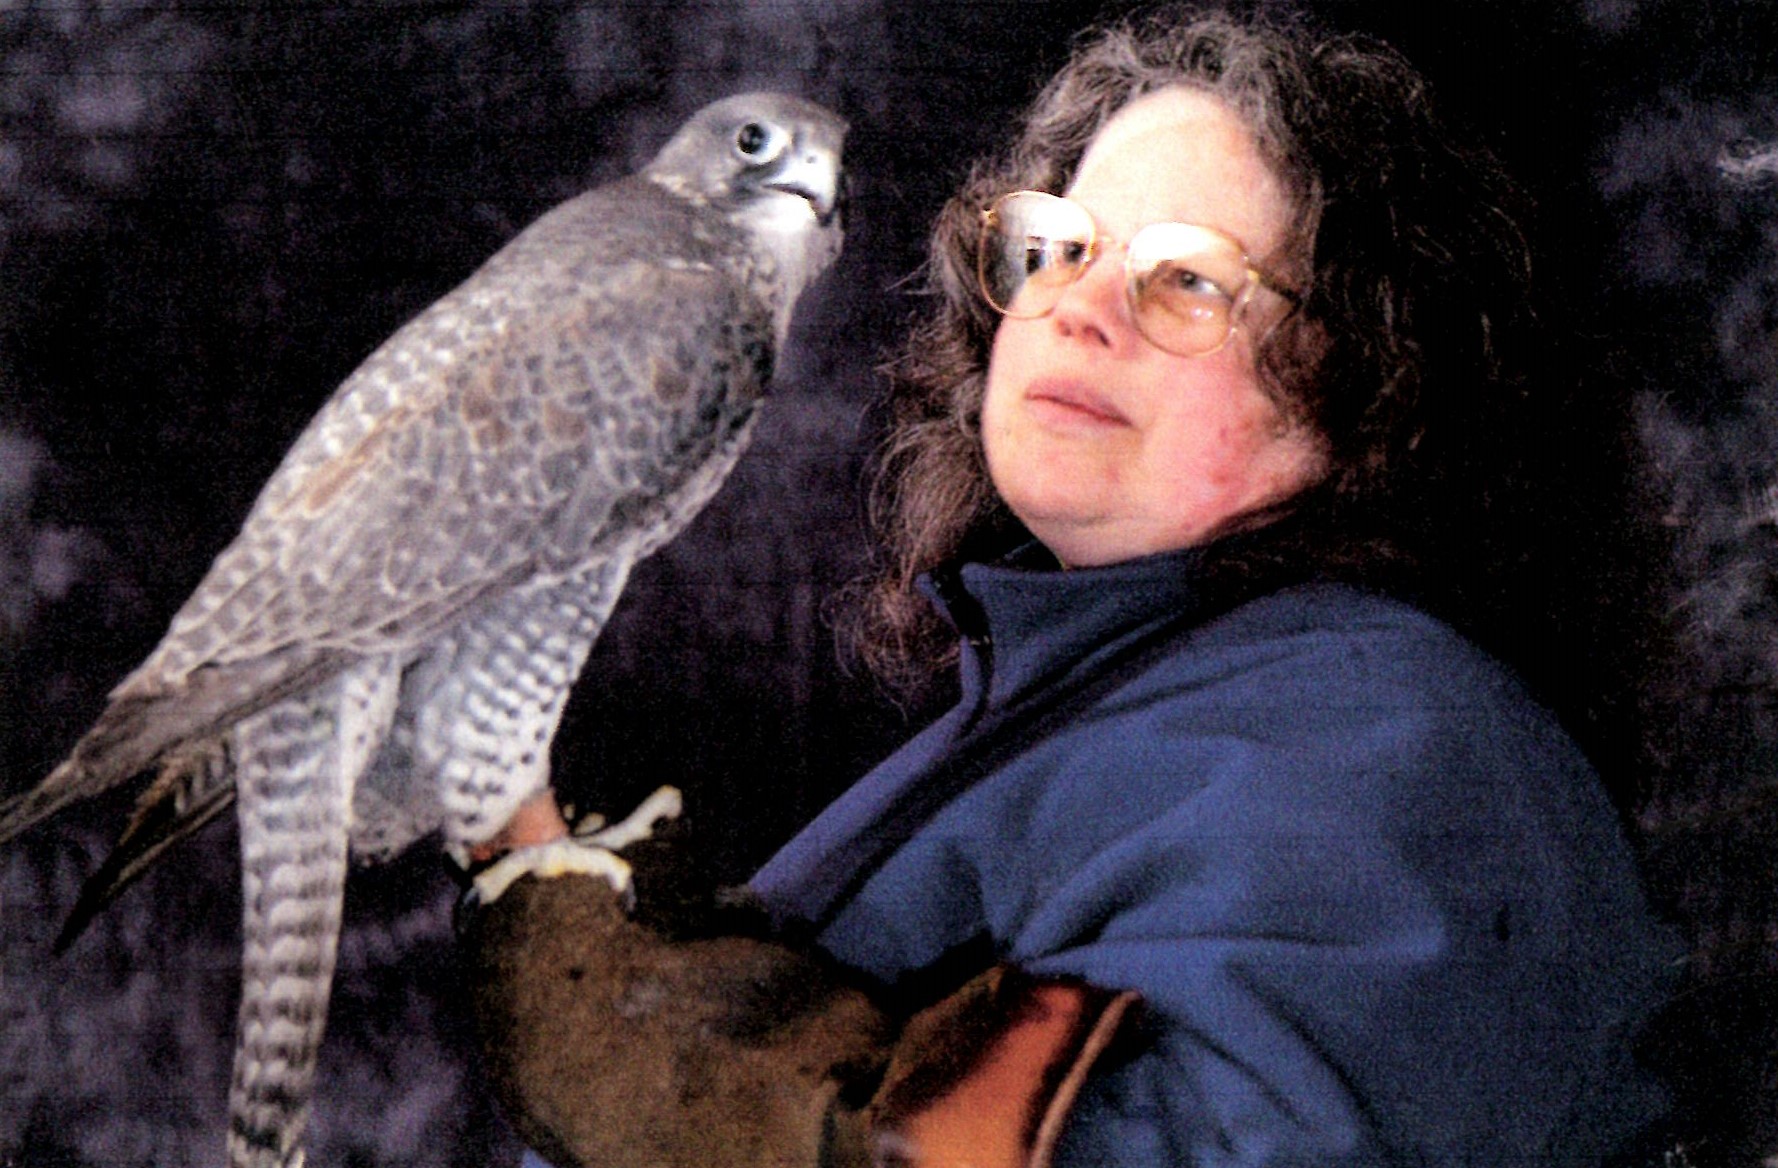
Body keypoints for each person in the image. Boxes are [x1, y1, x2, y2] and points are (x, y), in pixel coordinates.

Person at [460, 7, 1679, 1165]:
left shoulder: (1396, 746)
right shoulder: (1129, 700)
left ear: (1366, 389)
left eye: (1188, 279)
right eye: (1060, 246)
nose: (1080, 305)